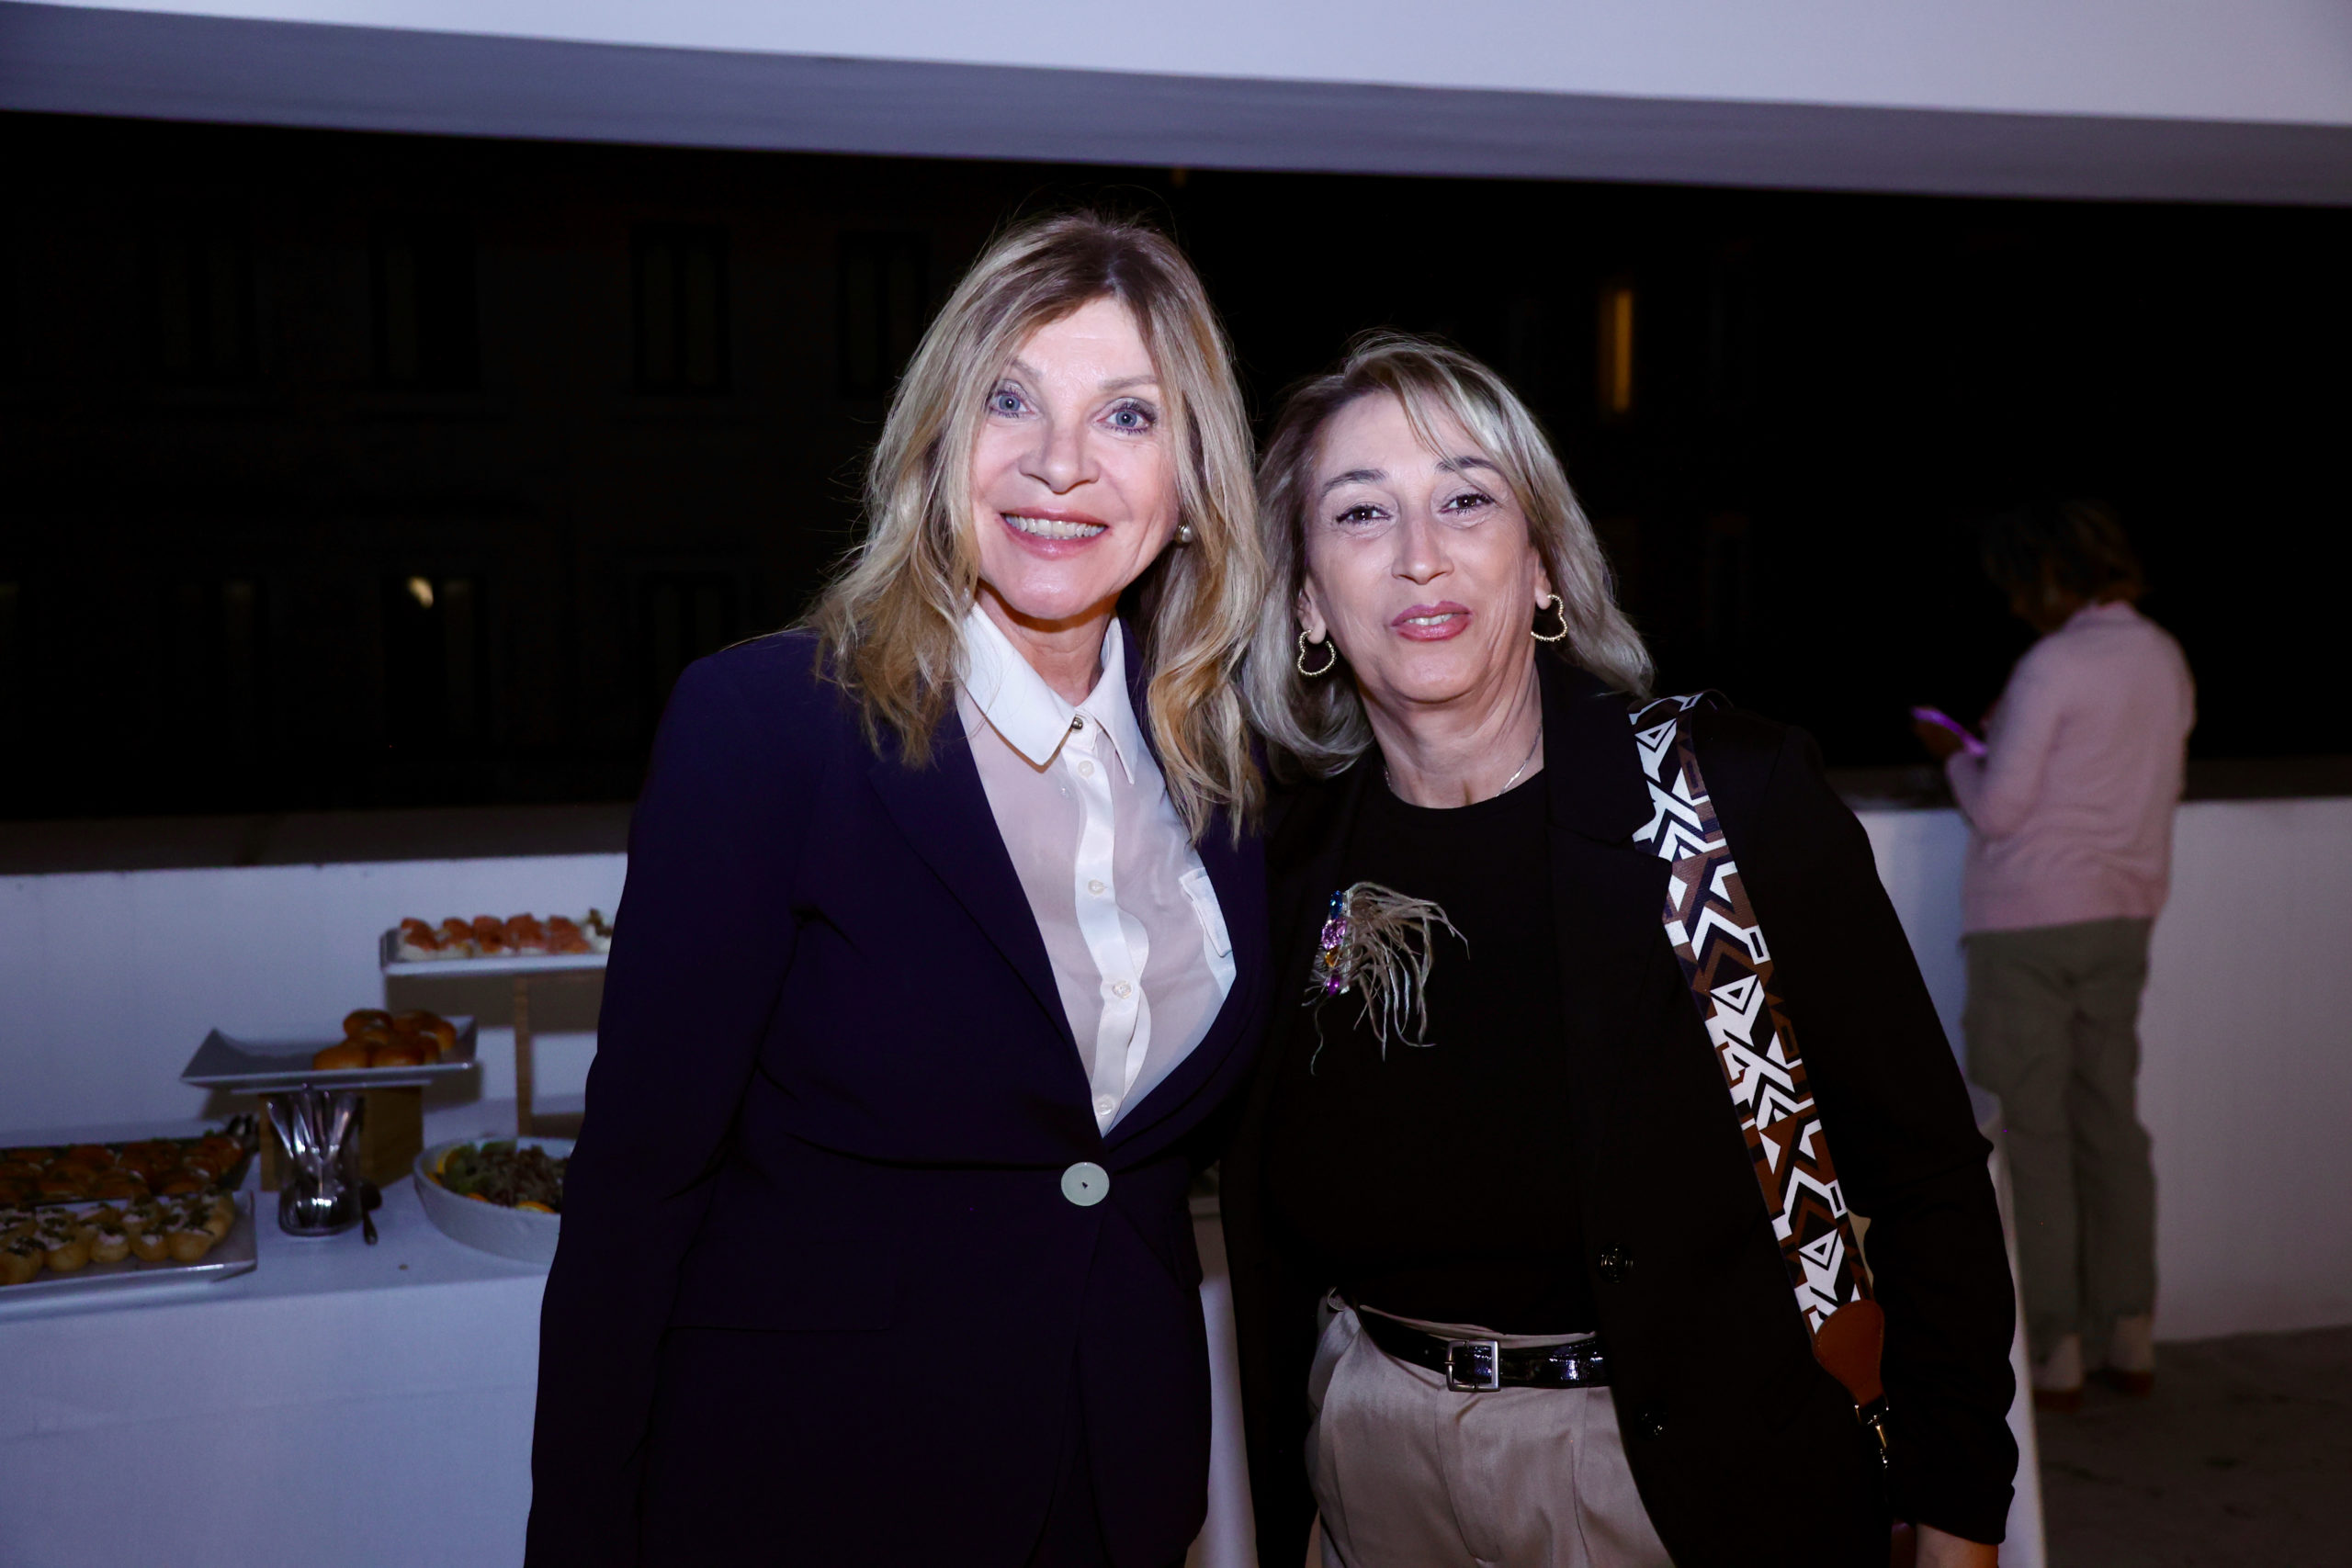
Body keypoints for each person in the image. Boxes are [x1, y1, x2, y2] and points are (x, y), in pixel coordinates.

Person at [527, 212, 1272, 1567]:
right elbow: (637, 1189)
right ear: (937, 443)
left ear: (1193, 480)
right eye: (1009, 400)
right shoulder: (770, 728)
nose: (1059, 461)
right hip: (808, 1490)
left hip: (1117, 1489)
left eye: (1127, 415)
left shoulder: (1226, 773)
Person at [1222, 334, 2018, 1568]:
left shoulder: (1727, 804)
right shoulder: (1281, 862)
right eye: (1361, 512)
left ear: (1542, 566)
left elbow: (1927, 1175)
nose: (1420, 553)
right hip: (1372, 1467)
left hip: (1679, 1479)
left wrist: (1959, 1509)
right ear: (1307, 599)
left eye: (1467, 500)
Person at [1915, 501, 2193, 1413]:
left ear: (2047, 575)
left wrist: (1954, 752)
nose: (2012, 604)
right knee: (2110, 1123)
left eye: (2017, 585)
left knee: (2027, 1132)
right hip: (2122, 918)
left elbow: (1998, 810)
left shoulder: (2053, 663)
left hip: (2029, 925)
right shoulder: (2163, 655)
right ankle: (2130, 1331)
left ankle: (2054, 1349)